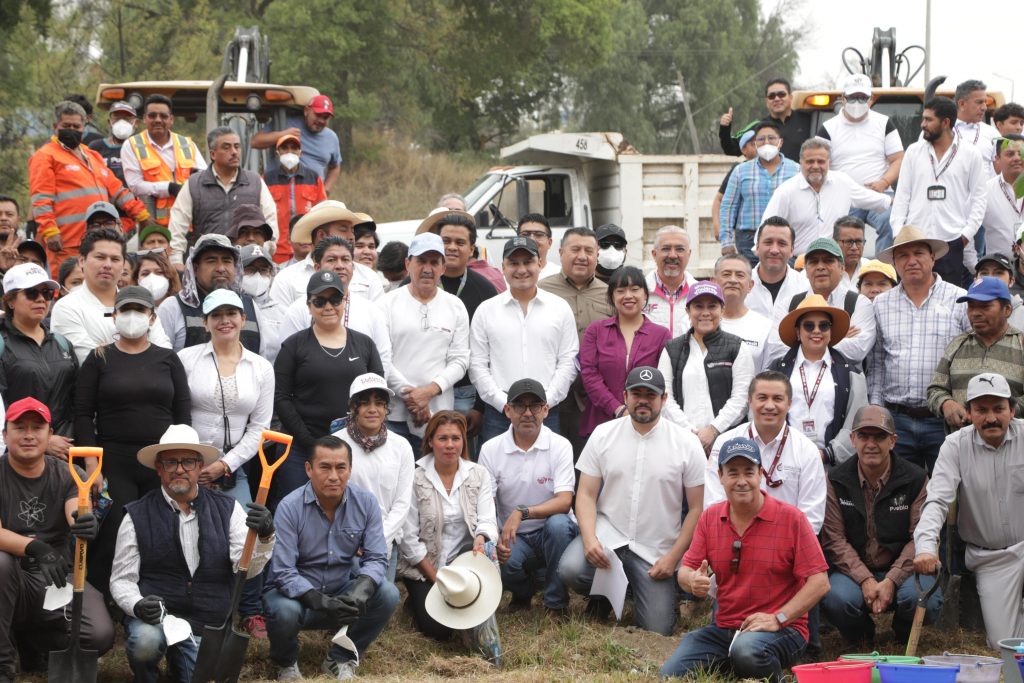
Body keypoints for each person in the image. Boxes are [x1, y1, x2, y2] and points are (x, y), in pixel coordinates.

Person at [110, 424, 275, 682]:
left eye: (187, 462)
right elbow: (121, 580)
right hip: (157, 620)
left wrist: (265, 537)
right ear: (158, 468)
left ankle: (179, 665)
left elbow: (247, 569)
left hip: (207, 622)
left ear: (200, 467)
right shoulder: (136, 515)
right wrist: (137, 604)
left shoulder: (228, 509)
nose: (179, 469)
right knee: (145, 642)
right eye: (170, 462)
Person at [660, 437, 829, 682]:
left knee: (748, 651)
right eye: (732, 473)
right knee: (670, 674)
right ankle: (737, 665)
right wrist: (692, 581)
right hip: (725, 628)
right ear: (720, 476)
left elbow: (820, 582)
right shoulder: (710, 518)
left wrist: (778, 618)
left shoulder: (792, 519)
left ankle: (768, 674)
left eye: (749, 472)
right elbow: (685, 570)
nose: (741, 481)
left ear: (760, 474)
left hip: (784, 629)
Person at [559, 367, 705, 636]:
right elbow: (586, 494)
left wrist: (673, 558)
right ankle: (603, 596)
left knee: (657, 628)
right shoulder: (603, 434)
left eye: (651, 395)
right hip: (608, 539)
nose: (643, 400)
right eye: (636, 393)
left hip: (655, 550)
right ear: (624, 396)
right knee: (571, 569)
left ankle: (638, 591)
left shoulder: (687, 443)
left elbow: (696, 508)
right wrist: (590, 539)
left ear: (665, 399)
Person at [74, 285, 191, 596]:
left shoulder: (169, 359)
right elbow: (83, 414)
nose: (132, 316)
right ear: (114, 315)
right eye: (126, 310)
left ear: (152, 317)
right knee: (116, 530)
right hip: (115, 460)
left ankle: (155, 594)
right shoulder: (98, 359)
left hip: (161, 461)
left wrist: (181, 463)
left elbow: (182, 415)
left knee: (161, 528)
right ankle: (105, 599)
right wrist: (92, 464)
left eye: (139, 310)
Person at [177, 288, 274, 638]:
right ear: (205, 322)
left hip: (234, 467)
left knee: (249, 531)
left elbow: (259, 428)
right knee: (187, 535)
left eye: (232, 313)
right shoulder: (186, 359)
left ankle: (249, 609)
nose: (225, 320)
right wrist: (192, 463)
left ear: (243, 319)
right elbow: (177, 413)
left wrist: (224, 465)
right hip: (185, 464)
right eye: (216, 315)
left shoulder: (261, 367)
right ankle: (188, 608)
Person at [264, 435, 400, 680]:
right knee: (282, 610)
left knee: (388, 594)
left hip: (342, 588)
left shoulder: (366, 502)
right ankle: (286, 663)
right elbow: (283, 571)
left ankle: (340, 657)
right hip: (298, 597)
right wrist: (320, 601)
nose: (334, 476)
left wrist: (361, 589)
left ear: (350, 469)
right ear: (309, 469)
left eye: (341, 467)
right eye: (324, 467)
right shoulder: (289, 507)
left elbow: (378, 557)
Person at [0, 397, 114, 682]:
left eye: (37, 427)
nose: (28, 435)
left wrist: (84, 522)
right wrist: (35, 547)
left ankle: (34, 642)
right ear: (5, 434)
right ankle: (3, 663)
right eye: (19, 427)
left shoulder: (67, 473)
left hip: (55, 577)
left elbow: (75, 507)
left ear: (50, 435)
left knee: (98, 636)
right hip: (11, 577)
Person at [914, 372, 1024, 648]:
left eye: (999, 409)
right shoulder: (955, 446)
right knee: (1004, 645)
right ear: (969, 413)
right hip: (991, 559)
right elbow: (937, 499)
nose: (991, 418)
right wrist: (925, 547)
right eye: (981, 410)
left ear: (1012, 410)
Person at [820, 405, 938, 647]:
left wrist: (891, 581)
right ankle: (861, 635)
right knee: (835, 597)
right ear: (852, 439)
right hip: (854, 571)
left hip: (903, 571)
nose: (871, 444)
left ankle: (903, 635)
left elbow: (920, 538)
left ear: (893, 441)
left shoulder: (916, 479)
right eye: (864, 436)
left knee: (923, 597)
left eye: (880, 436)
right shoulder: (836, 479)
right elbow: (834, 539)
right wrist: (865, 580)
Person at [272, 271, 384, 508]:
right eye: (319, 301)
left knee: (351, 511)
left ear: (345, 301)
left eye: (335, 299)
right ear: (309, 305)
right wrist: (310, 443)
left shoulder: (364, 344)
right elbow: (281, 398)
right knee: (297, 512)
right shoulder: (294, 345)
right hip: (301, 448)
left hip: (354, 445)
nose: (328, 307)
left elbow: (377, 394)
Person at [868, 225, 970, 472]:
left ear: (932, 257)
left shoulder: (960, 299)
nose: (911, 260)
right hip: (897, 419)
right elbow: (877, 363)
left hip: (943, 419)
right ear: (894, 262)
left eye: (918, 253)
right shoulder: (881, 304)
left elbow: (970, 358)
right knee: (899, 497)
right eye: (903, 255)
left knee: (949, 494)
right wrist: (878, 412)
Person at [478, 379, 578, 614]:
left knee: (559, 525)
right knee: (499, 560)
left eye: (534, 406)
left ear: (546, 410)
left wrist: (522, 512)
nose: (527, 413)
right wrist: (493, 537)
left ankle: (556, 603)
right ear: (507, 410)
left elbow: (564, 501)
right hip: (514, 537)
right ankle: (523, 595)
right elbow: (487, 503)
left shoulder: (560, 445)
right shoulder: (490, 449)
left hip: (550, 533)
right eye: (519, 406)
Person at [397, 411, 499, 637]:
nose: (450, 445)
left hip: (465, 560)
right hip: (425, 566)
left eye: (456, 438)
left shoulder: (479, 474)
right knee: (439, 633)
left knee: (464, 619)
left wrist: (482, 537)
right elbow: (408, 538)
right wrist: (437, 579)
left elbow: (488, 520)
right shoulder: (415, 478)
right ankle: (416, 602)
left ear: (463, 441)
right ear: (430, 441)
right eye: (443, 438)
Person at [470, 237, 578, 443]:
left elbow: (568, 361)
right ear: (503, 267)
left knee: (547, 473)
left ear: (539, 264)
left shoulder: (559, 308)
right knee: (496, 474)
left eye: (528, 262)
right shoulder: (486, 310)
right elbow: (477, 365)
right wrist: (503, 404)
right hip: (499, 413)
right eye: (514, 263)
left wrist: (547, 401)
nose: (521, 269)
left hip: (546, 411)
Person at [29, 100, 151, 274]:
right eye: (66, 125)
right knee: (68, 289)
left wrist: (141, 213)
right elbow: (41, 199)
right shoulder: (45, 155)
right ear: (55, 126)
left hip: (98, 240)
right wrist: (50, 231)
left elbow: (116, 189)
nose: (72, 129)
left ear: (84, 126)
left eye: (76, 126)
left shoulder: (91, 154)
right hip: (66, 241)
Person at [705, 371, 827, 532]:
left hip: (787, 549)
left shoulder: (807, 450)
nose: (769, 406)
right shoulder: (724, 443)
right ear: (749, 401)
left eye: (777, 398)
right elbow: (714, 505)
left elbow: (811, 517)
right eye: (762, 398)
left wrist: (777, 547)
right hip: (734, 543)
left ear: (789, 403)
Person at [381, 233, 469, 452]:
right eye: (421, 261)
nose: (427, 269)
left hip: (438, 417)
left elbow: (460, 360)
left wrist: (428, 392)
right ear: (408, 263)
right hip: (394, 415)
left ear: (443, 268)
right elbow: (382, 358)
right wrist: (412, 398)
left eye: (434, 262)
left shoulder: (455, 306)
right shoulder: (386, 304)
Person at [890, 97, 988, 288]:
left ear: (945, 123)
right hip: (914, 241)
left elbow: (979, 198)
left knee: (946, 305)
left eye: (928, 120)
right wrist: (898, 233)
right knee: (911, 298)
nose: (922, 124)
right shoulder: (913, 151)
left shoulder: (970, 153)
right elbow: (902, 196)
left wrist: (965, 236)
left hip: (952, 241)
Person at [767, 295, 866, 465]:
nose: (817, 331)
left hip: (831, 466)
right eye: (809, 325)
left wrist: (829, 454)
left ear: (830, 331)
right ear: (798, 332)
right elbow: (761, 412)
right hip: (783, 461)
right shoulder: (775, 369)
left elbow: (857, 419)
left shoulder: (852, 372)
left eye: (824, 326)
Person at [539, 227, 613, 456]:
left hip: (592, 396)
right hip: (549, 393)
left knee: (588, 460)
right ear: (560, 252)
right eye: (575, 249)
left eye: (589, 251)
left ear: (597, 256)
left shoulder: (610, 294)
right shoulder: (541, 290)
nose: (582, 256)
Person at [334, 373, 414, 582]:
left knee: (379, 605)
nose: (372, 409)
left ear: (386, 409)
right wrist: (351, 539)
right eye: (364, 403)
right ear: (353, 408)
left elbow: (402, 504)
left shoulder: (401, 446)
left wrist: (375, 539)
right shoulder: (334, 444)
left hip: (383, 543)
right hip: (341, 543)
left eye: (379, 403)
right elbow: (327, 498)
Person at [658, 281, 755, 453]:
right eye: (698, 306)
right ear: (688, 311)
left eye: (712, 306)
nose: (705, 313)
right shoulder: (671, 349)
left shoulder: (737, 347)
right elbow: (665, 398)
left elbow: (742, 398)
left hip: (728, 443)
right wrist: (690, 433)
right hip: (681, 442)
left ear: (722, 310)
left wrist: (713, 430)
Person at [51, 229, 172, 363]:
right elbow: (90, 362)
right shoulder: (67, 307)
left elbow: (165, 357)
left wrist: (106, 352)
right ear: (81, 261)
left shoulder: (142, 304)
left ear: (123, 264)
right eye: (100, 257)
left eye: (115, 259)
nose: (107, 265)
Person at [275, 236, 391, 375]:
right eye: (331, 260)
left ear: (353, 267)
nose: (340, 265)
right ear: (317, 267)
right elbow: (287, 364)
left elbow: (383, 359)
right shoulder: (298, 310)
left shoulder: (370, 310)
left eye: (346, 260)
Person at [580, 266, 671, 437]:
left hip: (647, 422)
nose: (628, 296)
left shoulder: (661, 335)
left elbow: (665, 380)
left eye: (635, 289)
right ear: (612, 297)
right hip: (602, 421)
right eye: (620, 290)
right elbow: (589, 374)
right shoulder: (596, 331)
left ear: (645, 295)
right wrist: (617, 408)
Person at [167, 127, 278, 267]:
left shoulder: (255, 182)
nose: (234, 152)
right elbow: (177, 224)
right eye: (227, 147)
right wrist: (176, 261)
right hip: (206, 264)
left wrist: (263, 251)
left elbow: (271, 222)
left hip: (247, 264)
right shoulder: (194, 184)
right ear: (213, 154)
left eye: (237, 147)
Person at [818, 74, 904, 253]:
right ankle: (841, 273)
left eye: (862, 98)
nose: (857, 102)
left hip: (880, 195)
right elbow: (819, 164)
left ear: (871, 99)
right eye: (852, 97)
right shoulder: (827, 128)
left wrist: (883, 183)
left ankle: (884, 272)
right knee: (835, 235)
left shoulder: (885, 123)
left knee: (892, 223)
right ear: (843, 98)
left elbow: (898, 159)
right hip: (844, 198)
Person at [761, 138, 890, 255]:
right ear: (800, 162)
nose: (816, 166)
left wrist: (899, 203)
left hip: (833, 262)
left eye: (821, 161)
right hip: (798, 264)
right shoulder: (786, 191)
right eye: (810, 161)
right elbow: (766, 229)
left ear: (829, 163)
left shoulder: (843, 182)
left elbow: (876, 200)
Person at [433, 212, 499, 441]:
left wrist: (479, 407)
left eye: (460, 242)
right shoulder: (414, 285)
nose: (451, 247)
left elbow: (492, 352)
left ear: (472, 249)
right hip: (426, 391)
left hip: (467, 393)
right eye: (445, 241)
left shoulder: (486, 291)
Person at [0, 263, 77, 459]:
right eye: (32, 293)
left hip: (64, 452)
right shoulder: (2, 344)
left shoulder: (62, 343)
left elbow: (76, 403)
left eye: (47, 293)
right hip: (18, 455)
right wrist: (43, 439)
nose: (41, 299)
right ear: (10, 301)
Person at [928, 277, 1024, 428]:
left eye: (985, 307)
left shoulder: (1021, 344)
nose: (975, 313)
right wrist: (946, 404)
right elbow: (935, 389)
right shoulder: (957, 344)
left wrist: (999, 412)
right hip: (962, 445)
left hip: (1013, 445)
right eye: (971, 307)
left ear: (1007, 310)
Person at [765, 237, 876, 365]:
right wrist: (839, 337)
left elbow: (858, 350)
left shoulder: (860, 304)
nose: (820, 267)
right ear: (806, 270)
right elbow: (775, 349)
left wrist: (803, 341)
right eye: (813, 262)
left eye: (828, 261)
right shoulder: (788, 305)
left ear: (842, 268)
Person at [157, 234, 267, 357]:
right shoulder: (173, 307)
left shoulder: (250, 306)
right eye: (211, 261)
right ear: (195, 268)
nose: (221, 268)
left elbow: (261, 359)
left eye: (227, 261)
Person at [270, 200, 384, 307]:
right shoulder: (286, 279)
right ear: (321, 236)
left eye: (352, 231)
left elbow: (379, 322)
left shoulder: (369, 277)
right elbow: (280, 324)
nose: (351, 237)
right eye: (343, 230)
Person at [719, 121, 800, 263]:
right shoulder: (741, 171)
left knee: (785, 282)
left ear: (780, 142)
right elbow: (728, 207)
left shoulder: (796, 170)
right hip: (747, 241)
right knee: (751, 282)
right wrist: (727, 242)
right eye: (761, 139)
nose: (766, 143)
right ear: (755, 144)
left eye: (771, 138)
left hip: (784, 238)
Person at [122, 94, 206, 229]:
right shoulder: (132, 145)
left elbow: (204, 176)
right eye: (152, 115)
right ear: (144, 118)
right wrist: (169, 188)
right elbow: (135, 185)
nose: (158, 120)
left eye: (163, 116)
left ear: (171, 119)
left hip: (188, 225)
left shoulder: (187, 144)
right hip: (154, 228)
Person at [251, 95, 343, 192]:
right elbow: (255, 142)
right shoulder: (285, 123)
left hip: (312, 195)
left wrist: (326, 190)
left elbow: (335, 167)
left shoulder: (332, 138)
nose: (321, 120)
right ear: (306, 111)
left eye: (325, 118)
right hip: (278, 190)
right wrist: (283, 134)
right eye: (318, 115)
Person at [263, 133, 327, 265]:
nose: (289, 152)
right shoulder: (267, 179)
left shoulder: (314, 178)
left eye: (294, 148)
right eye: (285, 148)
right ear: (278, 152)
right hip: (278, 250)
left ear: (300, 152)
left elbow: (323, 213)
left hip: (307, 247)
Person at [718, 77, 813, 160]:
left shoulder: (809, 120)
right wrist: (725, 127)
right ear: (766, 101)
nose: (776, 99)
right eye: (772, 96)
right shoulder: (758, 126)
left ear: (791, 97)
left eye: (781, 94)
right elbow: (731, 149)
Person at [716, 253, 772, 370]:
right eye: (726, 274)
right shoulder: (694, 322)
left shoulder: (765, 327)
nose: (732, 280)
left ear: (750, 285)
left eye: (740, 275)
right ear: (714, 282)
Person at [747, 217, 809, 320]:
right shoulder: (741, 285)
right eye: (768, 242)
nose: (774, 250)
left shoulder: (805, 287)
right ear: (757, 248)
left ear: (791, 251)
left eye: (782, 244)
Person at [644, 225, 698, 337]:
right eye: (666, 248)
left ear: (689, 254)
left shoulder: (699, 294)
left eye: (680, 249)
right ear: (654, 254)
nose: (673, 255)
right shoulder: (639, 292)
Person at [713, 131, 759, 249]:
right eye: (753, 144)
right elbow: (719, 199)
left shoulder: (779, 169)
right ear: (743, 150)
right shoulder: (739, 171)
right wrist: (719, 227)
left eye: (759, 142)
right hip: (746, 237)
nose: (758, 146)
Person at [239, 244, 284, 362]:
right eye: (250, 269)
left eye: (263, 270)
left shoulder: (282, 313)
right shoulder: (230, 309)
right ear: (237, 271)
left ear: (271, 273)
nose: (257, 275)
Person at [982, 136, 1024, 257]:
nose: (1017, 158)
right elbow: (969, 227)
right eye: (1010, 154)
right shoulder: (985, 190)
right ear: (997, 158)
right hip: (1000, 271)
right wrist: (974, 265)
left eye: (1021, 153)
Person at [954, 79, 1000, 178]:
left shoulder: (993, 134)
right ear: (962, 104)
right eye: (979, 102)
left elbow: (1001, 173)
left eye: (985, 102)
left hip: (984, 193)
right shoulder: (940, 131)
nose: (984, 108)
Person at [88, 101, 138, 186]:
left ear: (136, 123)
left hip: (133, 198)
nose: (122, 122)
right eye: (117, 118)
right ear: (109, 122)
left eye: (127, 118)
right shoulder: (96, 147)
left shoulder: (142, 148)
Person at [974, 252, 1024, 328]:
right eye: (984, 273)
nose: (990, 278)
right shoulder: (965, 312)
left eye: (998, 273)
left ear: (1011, 281)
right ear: (975, 280)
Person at [517, 214, 560, 280]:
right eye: (525, 235)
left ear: (549, 243)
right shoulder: (506, 277)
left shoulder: (559, 275)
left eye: (539, 235)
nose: (532, 239)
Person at [834, 216, 871, 288]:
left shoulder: (872, 269)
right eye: (848, 242)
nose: (854, 247)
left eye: (859, 242)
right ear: (835, 243)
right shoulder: (823, 272)